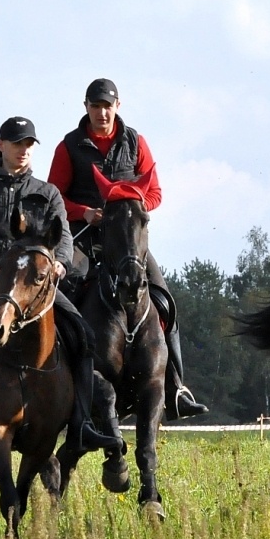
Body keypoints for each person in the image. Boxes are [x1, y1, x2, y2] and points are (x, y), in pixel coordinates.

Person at [0, 115, 122, 462]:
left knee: (83, 336)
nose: (24, 151)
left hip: (35, 288)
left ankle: (81, 424)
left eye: (29, 145)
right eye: (17, 144)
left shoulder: (48, 193)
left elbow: (62, 238)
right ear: (1, 146)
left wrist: (62, 262)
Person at [47, 77, 208, 419]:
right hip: (84, 237)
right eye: (96, 106)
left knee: (164, 300)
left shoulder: (136, 142)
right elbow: (54, 196)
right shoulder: (68, 146)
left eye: (107, 106)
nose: (102, 113)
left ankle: (176, 387)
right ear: (86, 107)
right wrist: (84, 212)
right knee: (67, 288)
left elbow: (155, 193)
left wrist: (129, 204)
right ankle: (61, 375)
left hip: (126, 241)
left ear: (117, 106)